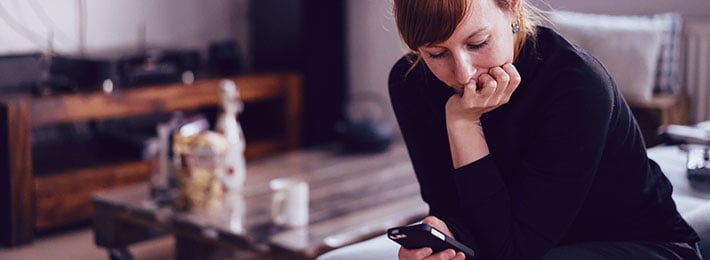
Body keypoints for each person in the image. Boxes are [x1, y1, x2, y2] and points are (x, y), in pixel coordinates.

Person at [388, 0, 701, 259]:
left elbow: (513, 253)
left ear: (512, 8)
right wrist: (441, 241)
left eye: (478, 43)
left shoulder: (576, 84)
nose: (463, 73)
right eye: (436, 53)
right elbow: (451, 208)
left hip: (643, 247)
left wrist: (463, 123)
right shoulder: (411, 83)